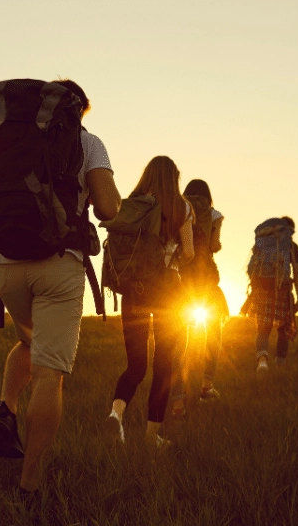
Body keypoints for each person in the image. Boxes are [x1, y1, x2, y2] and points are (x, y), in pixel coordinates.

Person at [0, 79, 120, 494]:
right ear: (78, 110)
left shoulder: (9, 139)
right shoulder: (89, 142)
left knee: (30, 342)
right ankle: (30, 484)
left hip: (5, 264)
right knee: (50, 373)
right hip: (59, 263)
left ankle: (6, 408)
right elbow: (107, 206)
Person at [105, 156, 193, 447]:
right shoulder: (182, 208)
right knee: (163, 366)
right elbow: (190, 252)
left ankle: (116, 415)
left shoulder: (133, 204)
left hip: (134, 289)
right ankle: (151, 435)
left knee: (136, 365)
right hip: (168, 292)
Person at [171, 179, 229, 413]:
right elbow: (214, 246)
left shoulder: (178, 209)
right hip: (205, 279)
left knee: (177, 341)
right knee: (214, 332)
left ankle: (176, 402)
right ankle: (206, 386)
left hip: (179, 277)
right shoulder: (214, 215)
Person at [243, 216, 298, 372]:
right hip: (282, 291)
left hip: (262, 290)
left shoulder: (262, 244)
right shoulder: (291, 246)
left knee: (263, 329)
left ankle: (262, 361)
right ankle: (280, 365)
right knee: (283, 329)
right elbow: (297, 272)